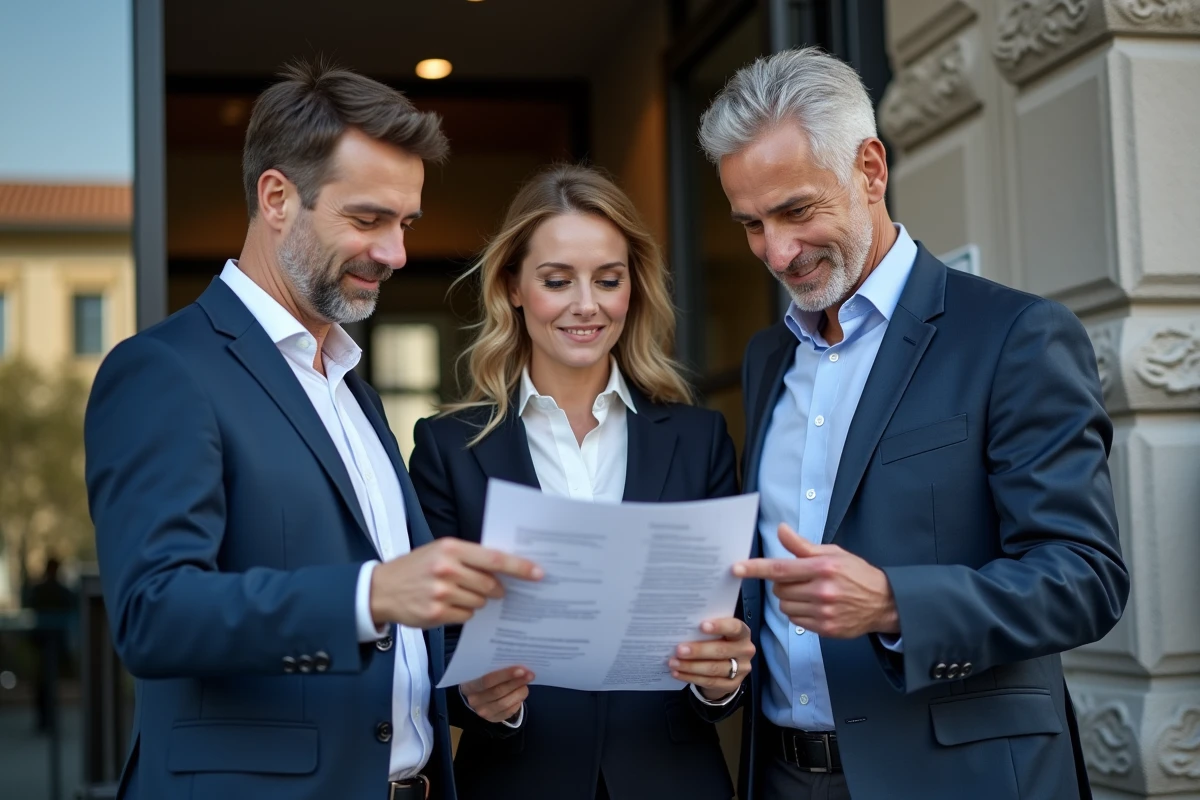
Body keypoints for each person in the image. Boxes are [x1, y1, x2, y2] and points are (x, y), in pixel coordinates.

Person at [84, 61, 542, 800]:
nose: (395, 252)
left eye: (405, 224)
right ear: (276, 198)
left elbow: (386, 642)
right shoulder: (164, 371)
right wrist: (371, 595)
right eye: (367, 220)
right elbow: (153, 614)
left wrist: (463, 687)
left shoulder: (353, 390)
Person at [692, 48, 1130, 800]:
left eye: (796, 210)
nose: (777, 251)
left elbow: (1085, 577)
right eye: (751, 224)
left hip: (962, 779)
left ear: (870, 168)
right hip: (781, 777)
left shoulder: (1016, 334)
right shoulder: (768, 358)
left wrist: (896, 602)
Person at [409, 164, 753, 800]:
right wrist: (479, 699)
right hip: (514, 780)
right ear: (513, 286)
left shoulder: (699, 438)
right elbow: (428, 645)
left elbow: (727, 632)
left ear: (633, 288)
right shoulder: (447, 448)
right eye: (557, 280)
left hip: (676, 781)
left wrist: (722, 678)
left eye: (608, 280)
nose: (586, 305)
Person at [28, 556, 75, 733]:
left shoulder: (50, 591)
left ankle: (47, 720)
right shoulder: (51, 591)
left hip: (48, 643)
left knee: (47, 683)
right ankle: (45, 720)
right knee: (44, 683)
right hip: (45, 643)